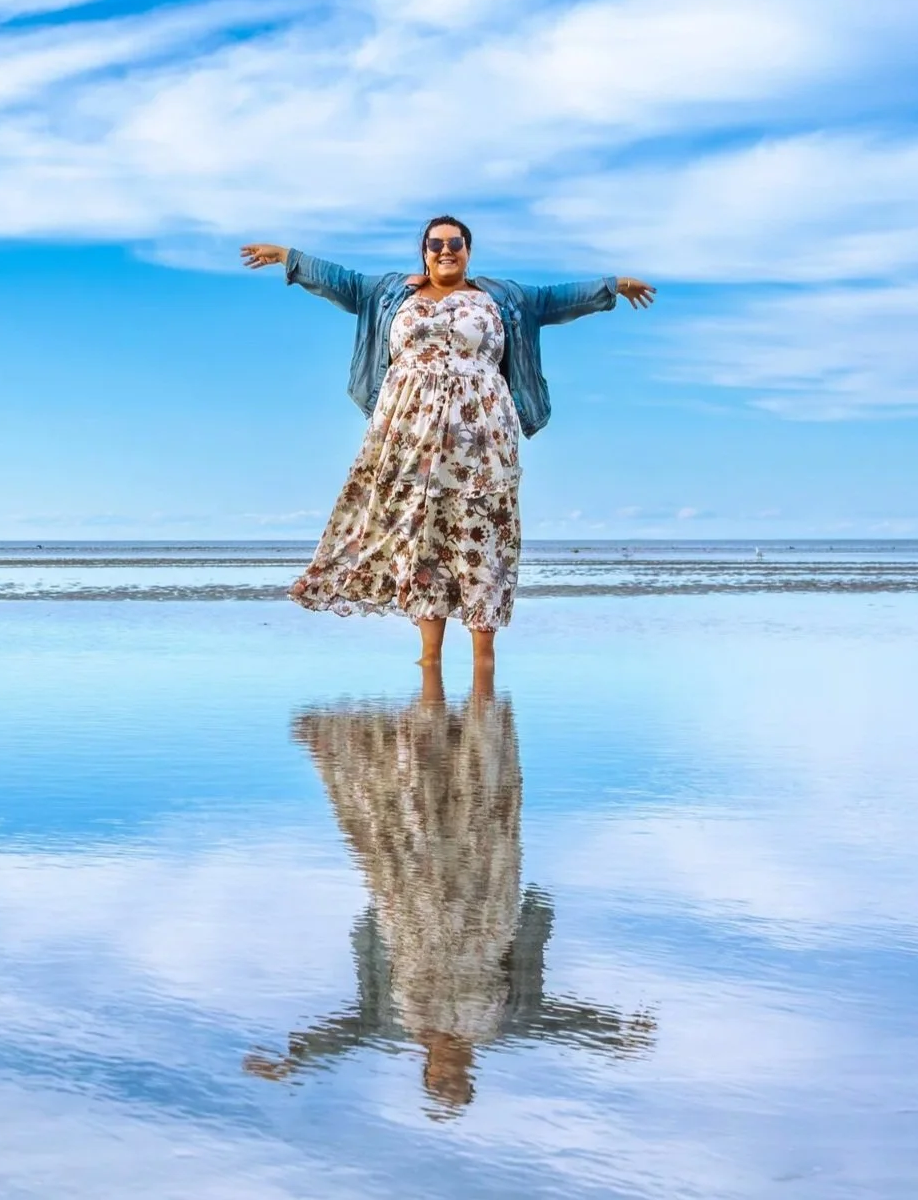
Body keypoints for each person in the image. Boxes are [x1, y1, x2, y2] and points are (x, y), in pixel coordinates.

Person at [242, 220, 654, 672]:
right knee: (421, 536)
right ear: (423, 251)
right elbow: (342, 282)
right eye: (435, 244)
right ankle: (430, 656)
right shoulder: (391, 293)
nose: (445, 250)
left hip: (483, 436)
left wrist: (611, 286)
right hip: (406, 436)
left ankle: (484, 654)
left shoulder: (503, 298)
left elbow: (557, 299)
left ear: (468, 250)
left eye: (454, 243)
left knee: (485, 533)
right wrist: (288, 257)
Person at [243, 678, 653, 1115]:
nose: (456, 1069)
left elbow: (349, 1033)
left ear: (429, 1070)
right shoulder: (500, 1023)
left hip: (413, 917)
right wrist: (614, 1033)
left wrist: (296, 1060)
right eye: (458, 1078)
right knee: (468, 825)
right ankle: (456, 733)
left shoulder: (394, 1025)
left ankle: (432, 731)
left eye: (448, 1078)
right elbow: (556, 1022)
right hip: (482, 912)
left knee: (418, 828)